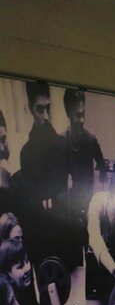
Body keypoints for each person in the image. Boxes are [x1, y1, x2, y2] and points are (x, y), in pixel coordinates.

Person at [63, 88, 108, 237]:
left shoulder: (91, 139)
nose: (82, 120)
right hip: (69, 208)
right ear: (67, 113)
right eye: (77, 115)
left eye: (83, 114)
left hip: (90, 205)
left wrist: (98, 194)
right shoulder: (60, 141)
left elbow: (103, 167)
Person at [17, 80, 67, 211]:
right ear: (30, 108)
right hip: (39, 224)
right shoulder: (26, 153)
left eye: (48, 108)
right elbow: (30, 202)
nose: (46, 116)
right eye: (40, 109)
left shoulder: (63, 144)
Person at [0, 239, 49, 305]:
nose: (27, 268)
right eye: (20, 266)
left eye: (27, 261)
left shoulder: (25, 291)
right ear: (7, 273)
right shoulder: (12, 303)